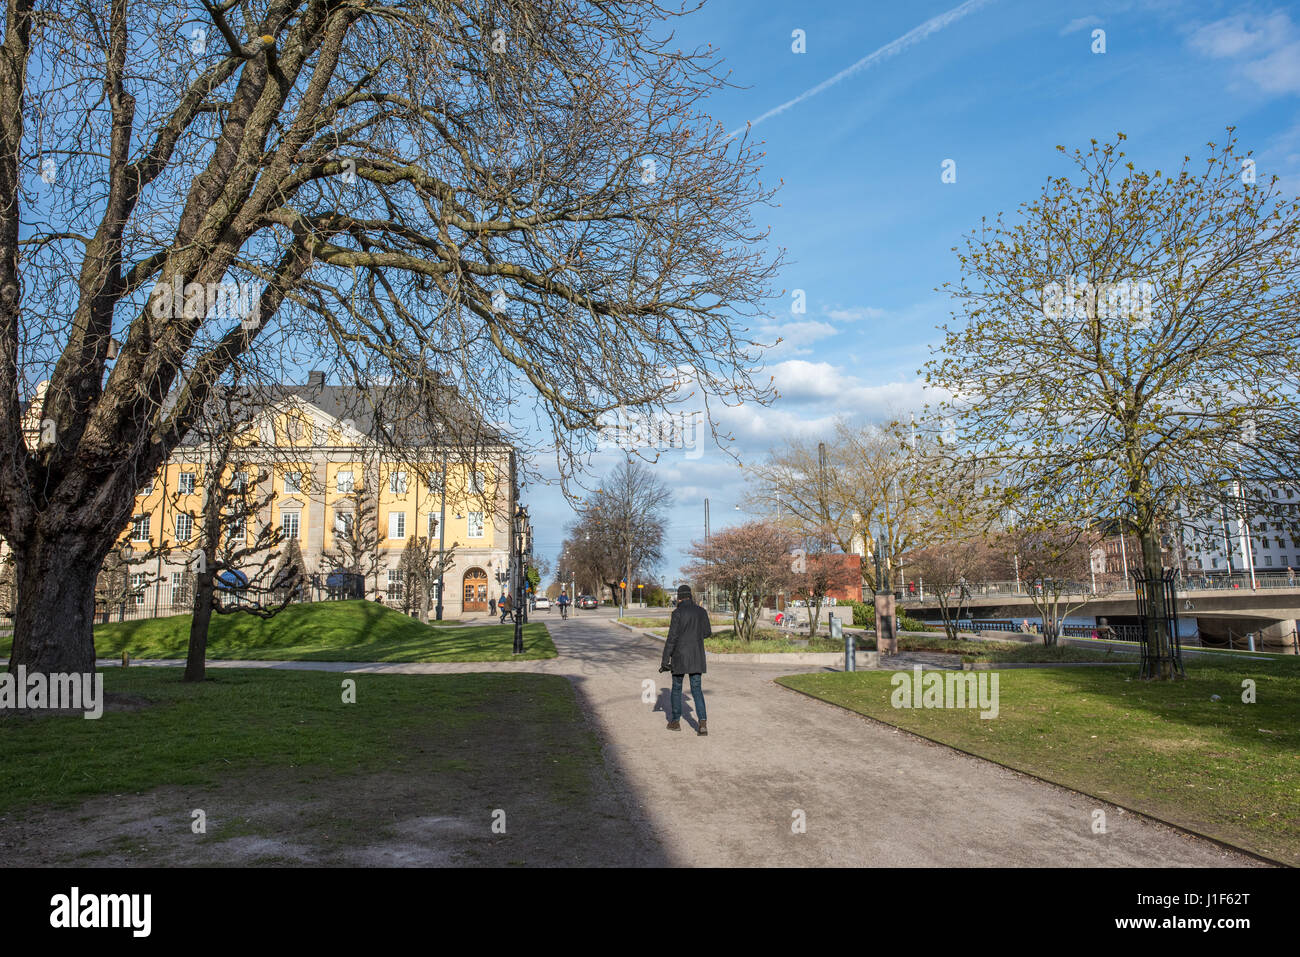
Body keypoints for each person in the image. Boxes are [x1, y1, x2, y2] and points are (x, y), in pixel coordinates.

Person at [660, 584, 710, 735]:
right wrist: (695, 637)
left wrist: (664, 660)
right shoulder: (701, 612)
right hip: (696, 655)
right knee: (696, 689)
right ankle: (702, 722)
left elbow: (672, 638)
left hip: (679, 656)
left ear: (679, 597)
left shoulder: (677, 613)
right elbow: (707, 632)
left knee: (676, 688)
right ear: (690, 595)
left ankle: (675, 721)